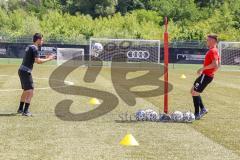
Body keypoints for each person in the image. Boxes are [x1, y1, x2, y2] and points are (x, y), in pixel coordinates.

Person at [17, 33, 55, 116]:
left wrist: (45, 58)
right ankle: (25, 111)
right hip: (26, 72)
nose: (42, 41)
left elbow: (34, 59)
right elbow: (38, 61)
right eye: (41, 39)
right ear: (38, 40)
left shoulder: (30, 47)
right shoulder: (34, 48)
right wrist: (49, 59)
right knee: (30, 91)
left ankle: (20, 109)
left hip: (21, 70)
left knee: (26, 90)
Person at [191, 34, 220, 120]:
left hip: (206, 75)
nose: (206, 41)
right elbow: (217, 66)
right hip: (205, 75)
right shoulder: (213, 50)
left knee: (195, 93)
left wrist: (202, 69)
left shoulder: (213, 51)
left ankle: (197, 114)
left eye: (208, 40)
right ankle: (203, 109)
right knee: (193, 91)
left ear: (213, 41)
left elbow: (215, 64)